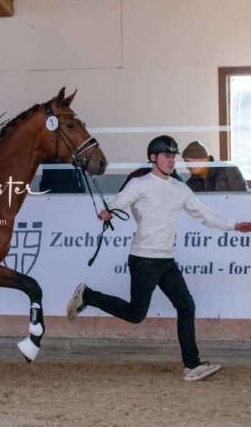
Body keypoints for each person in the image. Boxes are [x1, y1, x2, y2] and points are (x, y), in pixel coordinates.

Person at [66, 135, 251, 382]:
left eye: (173, 157)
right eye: (166, 156)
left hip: (166, 261)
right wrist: (109, 211)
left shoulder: (179, 188)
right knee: (136, 315)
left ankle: (192, 365)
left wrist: (234, 225)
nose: (171, 161)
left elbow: (204, 215)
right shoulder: (139, 184)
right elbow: (120, 201)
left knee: (186, 306)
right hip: (143, 260)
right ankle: (87, 295)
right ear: (153, 157)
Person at [182, 140, 248, 192]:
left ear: (201, 159)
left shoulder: (228, 171)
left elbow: (242, 199)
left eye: (188, 161)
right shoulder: (191, 182)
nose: (186, 166)